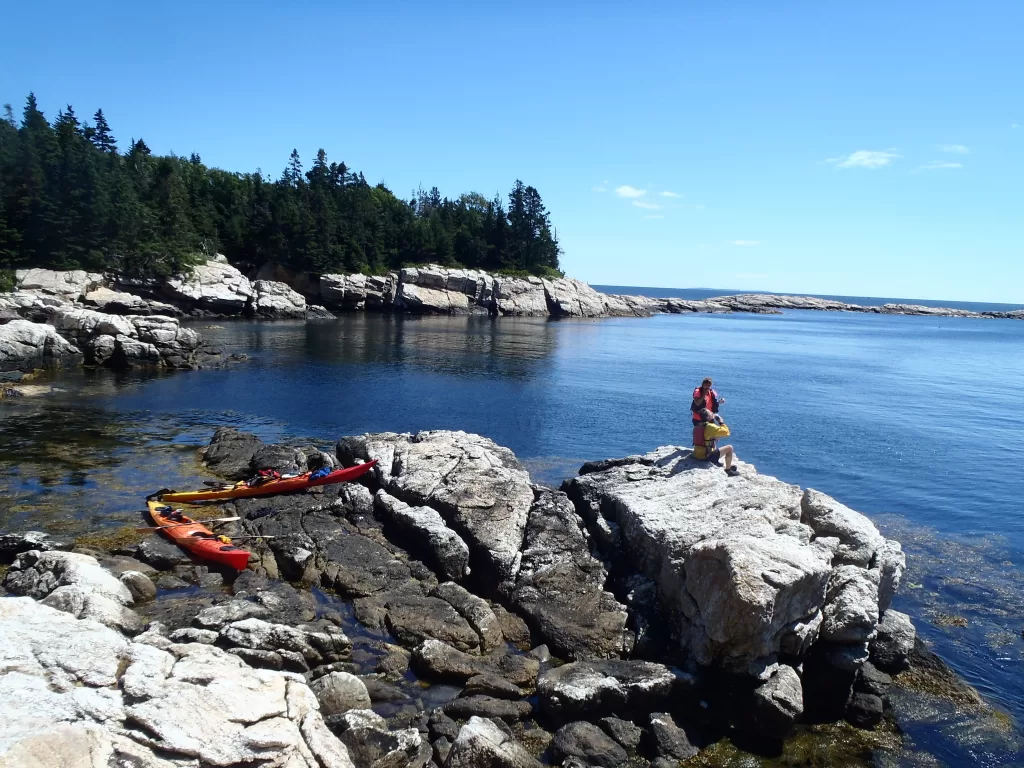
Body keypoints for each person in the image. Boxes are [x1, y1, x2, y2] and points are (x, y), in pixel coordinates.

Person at [692, 407, 739, 475]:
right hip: (706, 456)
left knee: (713, 441)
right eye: (710, 413)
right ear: (708, 417)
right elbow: (727, 433)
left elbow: (705, 437)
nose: (712, 413)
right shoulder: (710, 427)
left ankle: (716, 461)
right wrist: (721, 422)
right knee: (729, 448)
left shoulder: (698, 426)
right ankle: (728, 470)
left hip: (697, 454)